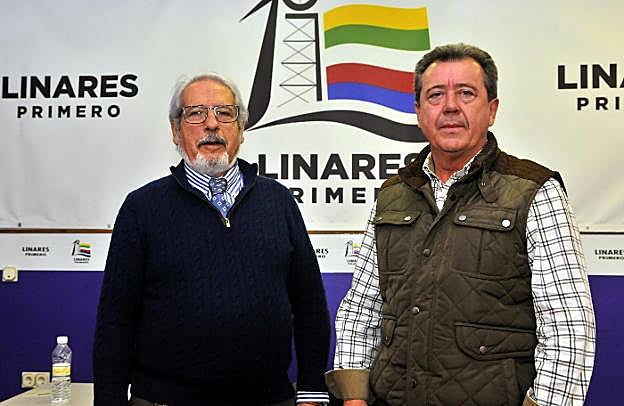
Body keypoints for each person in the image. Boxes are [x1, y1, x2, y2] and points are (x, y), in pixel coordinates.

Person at [325, 43, 595, 406]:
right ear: (419, 112)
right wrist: (354, 397)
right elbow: (362, 308)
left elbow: (569, 328)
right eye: (435, 95)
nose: (450, 106)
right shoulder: (392, 195)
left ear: (492, 109)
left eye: (466, 93)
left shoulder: (535, 191)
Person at [93, 72, 331, 406]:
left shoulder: (278, 201)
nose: (212, 124)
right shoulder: (142, 208)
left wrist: (312, 391)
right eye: (196, 113)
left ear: (241, 129)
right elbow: (115, 322)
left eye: (224, 113)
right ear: (176, 130)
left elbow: (310, 305)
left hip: (270, 400)